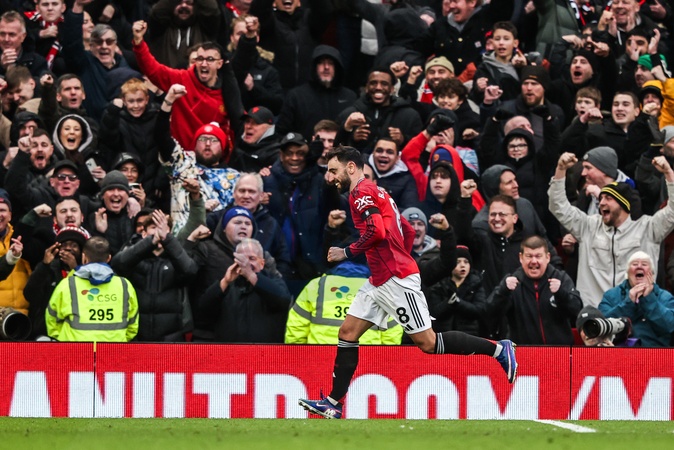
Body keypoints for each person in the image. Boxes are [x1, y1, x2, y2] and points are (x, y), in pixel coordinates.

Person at [298, 146, 517, 420]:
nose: (330, 177)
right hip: (380, 279)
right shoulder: (378, 192)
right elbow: (408, 229)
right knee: (348, 333)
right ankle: (333, 402)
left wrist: (347, 252)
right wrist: (400, 254)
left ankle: (499, 349)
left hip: (395, 279)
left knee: (428, 343)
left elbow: (376, 232)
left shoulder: (360, 193)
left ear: (351, 167)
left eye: (333, 170)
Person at [549, 152, 674, 307]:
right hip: (595, 312)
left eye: (608, 198)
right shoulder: (588, 226)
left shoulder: (648, 229)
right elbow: (558, 206)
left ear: (623, 205)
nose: (601, 203)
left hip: (636, 313)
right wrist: (560, 170)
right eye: (601, 198)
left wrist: (669, 174)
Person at [111, 210, 197, 342]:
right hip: (136, 337)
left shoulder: (177, 257)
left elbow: (190, 271)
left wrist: (167, 240)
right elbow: (118, 264)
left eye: (163, 228)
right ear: (144, 233)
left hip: (171, 339)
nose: (159, 232)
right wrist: (151, 241)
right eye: (153, 227)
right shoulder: (133, 255)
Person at [488, 235, 582, 345]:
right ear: (521, 258)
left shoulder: (561, 278)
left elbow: (577, 310)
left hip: (559, 351)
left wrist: (561, 293)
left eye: (538, 256)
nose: (533, 261)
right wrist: (503, 291)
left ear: (547, 257)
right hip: (523, 352)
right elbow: (490, 313)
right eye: (529, 256)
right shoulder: (512, 283)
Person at [46, 236, 139, 342]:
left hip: (75, 350)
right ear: (109, 258)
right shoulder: (124, 285)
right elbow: (133, 325)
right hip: (114, 350)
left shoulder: (67, 284)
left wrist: (64, 341)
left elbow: (52, 320)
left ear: (84, 257)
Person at [198, 237, 291, 343]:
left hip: (264, 351)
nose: (245, 264)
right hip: (230, 351)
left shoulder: (273, 281)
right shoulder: (226, 285)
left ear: (262, 263)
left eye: (251, 258)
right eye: (242, 259)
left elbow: (283, 301)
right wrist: (225, 281)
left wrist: (251, 276)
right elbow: (203, 311)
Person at [276, 44, 356, 139]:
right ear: (314, 67)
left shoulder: (350, 97)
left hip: (341, 148)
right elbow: (281, 133)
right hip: (304, 147)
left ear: (337, 68)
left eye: (331, 63)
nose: (326, 67)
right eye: (321, 63)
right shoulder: (296, 96)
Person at [24, 225, 88, 339]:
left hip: (78, 333)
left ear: (82, 250)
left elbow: (85, 299)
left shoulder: (87, 272)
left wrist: (75, 270)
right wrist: (44, 265)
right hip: (47, 332)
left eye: (74, 245)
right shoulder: (47, 268)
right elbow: (30, 295)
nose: (68, 249)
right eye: (64, 245)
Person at [599, 251, 674, 347]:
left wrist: (649, 299)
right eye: (634, 264)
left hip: (655, 353)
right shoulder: (611, 295)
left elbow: (670, 325)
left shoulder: (665, 297)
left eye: (644, 264)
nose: (639, 266)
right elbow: (602, 324)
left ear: (652, 273)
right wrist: (629, 302)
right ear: (627, 273)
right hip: (619, 352)